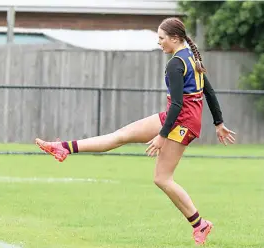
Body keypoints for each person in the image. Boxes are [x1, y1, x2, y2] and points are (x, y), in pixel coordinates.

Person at [35, 17, 236, 245]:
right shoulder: (190, 57)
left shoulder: (176, 63)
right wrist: (218, 123)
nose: (159, 42)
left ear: (174, 38)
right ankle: (63, 148)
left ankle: (200, 224)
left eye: (161, 38)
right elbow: (208, 92)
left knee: (162, 178)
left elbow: (180, 103)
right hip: (176, 118)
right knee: (120, 136)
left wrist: (162, 136)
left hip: (181, 123)